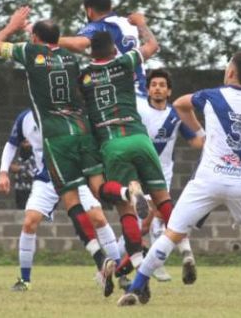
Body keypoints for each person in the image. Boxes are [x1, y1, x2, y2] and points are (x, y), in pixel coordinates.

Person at [0, 6, 122, 296]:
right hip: (73, 143)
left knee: (85, 211)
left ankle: (110, 266)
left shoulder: (30, 55)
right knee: (33, 219)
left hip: (59, 144)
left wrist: (12, 26)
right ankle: (25, 279)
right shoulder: (70, 59)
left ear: (34, 39)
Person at [118, 51, 241, 308]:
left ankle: (135, 287)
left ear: (231, 73)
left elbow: (179, 104)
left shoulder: (211, 96)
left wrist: (202, 131)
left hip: (208, 179)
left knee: (172, 233)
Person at [78, 23, 185, 285]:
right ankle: (185, 251)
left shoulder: (83, 77)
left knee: (122, 206)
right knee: (162, 200)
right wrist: (141, 24)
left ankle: (136, 264)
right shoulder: (124, 62)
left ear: (92, 53)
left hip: (112, 144)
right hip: (140, 139)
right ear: (114, 49)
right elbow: (152, 46)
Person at [0, 108, 121, 293]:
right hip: (46, 180)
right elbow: (11, 144)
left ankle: (119, 273)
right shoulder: (25, 118)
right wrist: (3, 172)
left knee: (99, 218)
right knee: (30, 221)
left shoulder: (71, 112)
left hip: (75, 177)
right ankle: (24, 279)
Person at [136, 69, 205, 282]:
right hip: (138, 176)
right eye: (154, 84)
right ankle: (129, 262)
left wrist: (214, 139)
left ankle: (160, 261)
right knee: (146, 224)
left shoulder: (175, 116)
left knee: (160, 219)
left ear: (169, 91)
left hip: (162, 177)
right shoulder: (139, 112)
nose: (157, 88)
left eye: (162, 85)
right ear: (147, 90)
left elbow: (196, 142)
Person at [59, 0, 148, 95]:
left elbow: (78, 44)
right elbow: (151, 45)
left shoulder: (98, 26)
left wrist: (48, 38)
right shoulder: (130, 22)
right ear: (110, 7)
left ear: (89, 11)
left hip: (120, 94)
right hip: (142, 90)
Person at [7, 140, 35, 209]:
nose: (25, 145)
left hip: (32, 189)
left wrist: (20, 169)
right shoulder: (18, 156)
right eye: (24, 142)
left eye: (27, 142)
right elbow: (11, 166)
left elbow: (34, 172)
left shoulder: (35, 156)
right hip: (19, 189)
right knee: (21, 209)